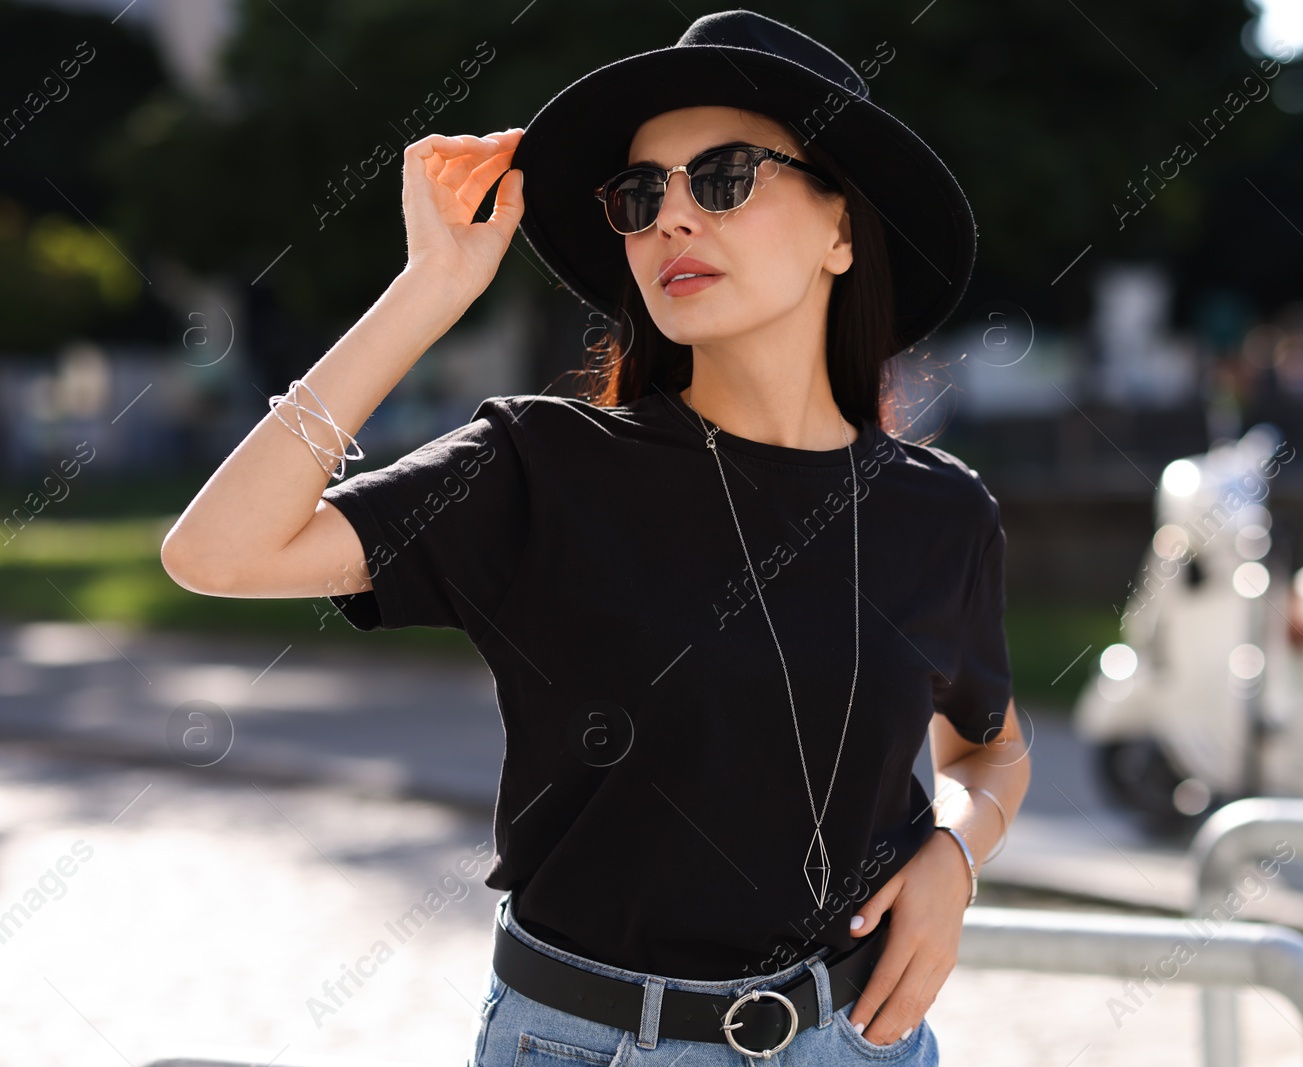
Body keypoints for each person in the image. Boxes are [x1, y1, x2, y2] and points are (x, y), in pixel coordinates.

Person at [160, 10, 1028, 1066]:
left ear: (842, 228)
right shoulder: (540, 467)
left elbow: (992, 745)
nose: (671, 218)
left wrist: (957, 849)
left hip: (861, 1041)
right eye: (640, 194)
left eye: (724, 177)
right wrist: (427, 289)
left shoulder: (941, 511)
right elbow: (217, 552)